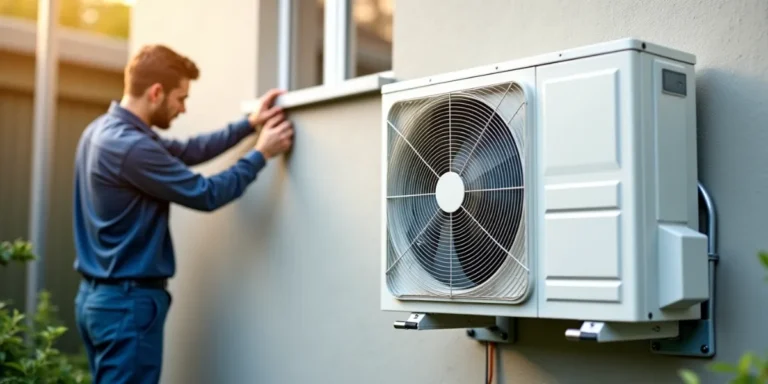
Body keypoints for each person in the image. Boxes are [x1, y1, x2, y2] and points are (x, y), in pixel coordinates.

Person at [71, 44, 292, 384]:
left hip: (97, 299)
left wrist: (249, 125)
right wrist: (261, 154)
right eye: (181, 98)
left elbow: (188, 150)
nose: (183, 108)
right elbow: (206, 194)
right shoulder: (132, 147)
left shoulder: (101, 131)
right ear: (156, 92)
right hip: (126, 306)